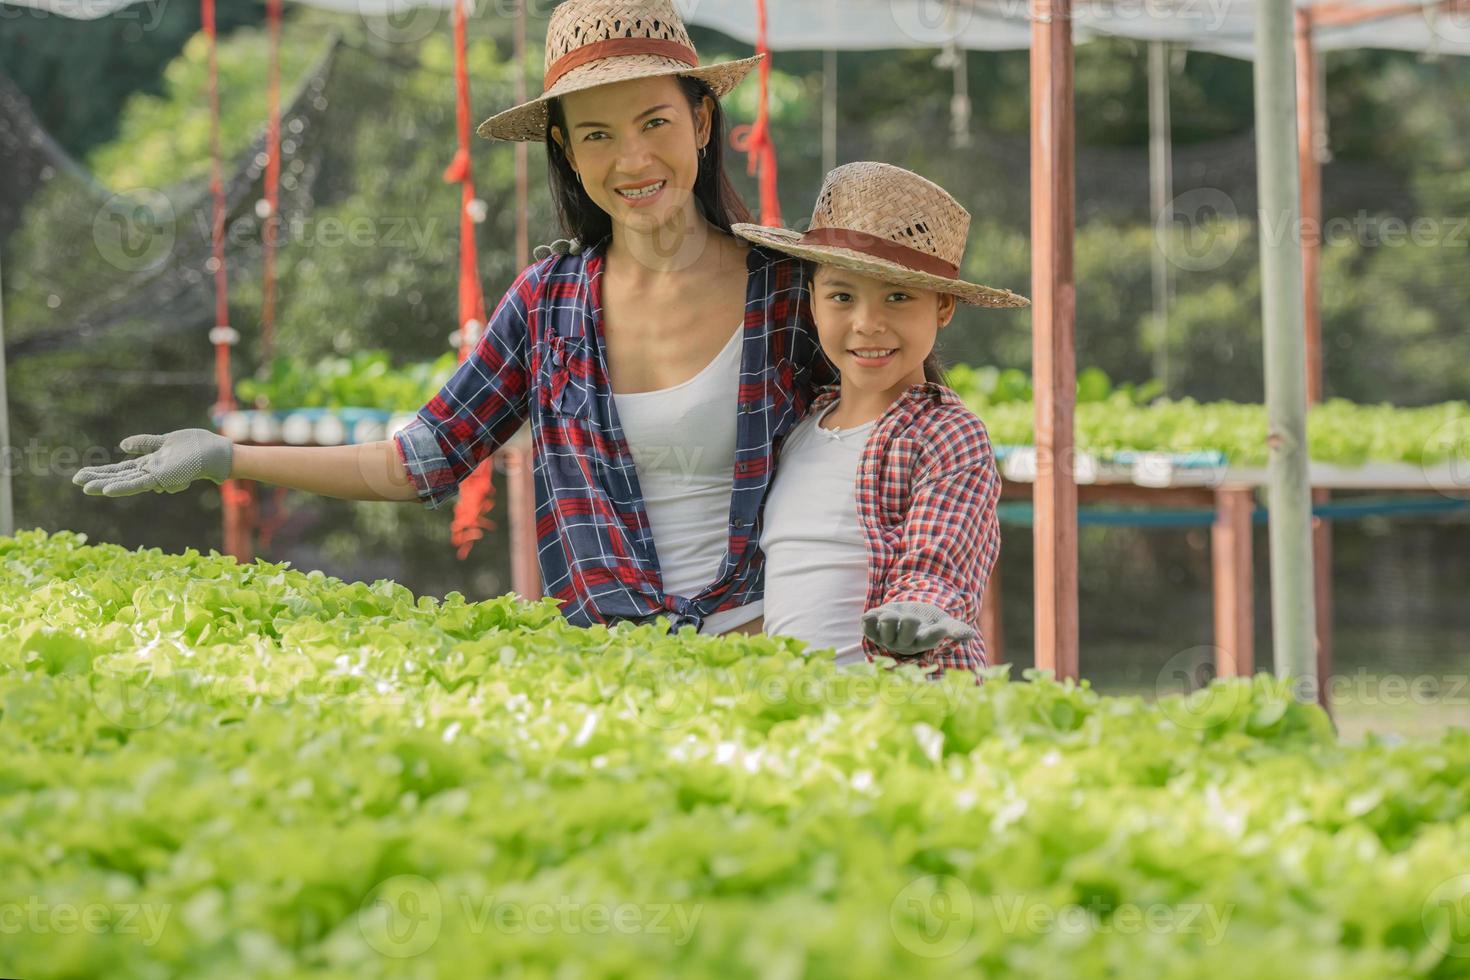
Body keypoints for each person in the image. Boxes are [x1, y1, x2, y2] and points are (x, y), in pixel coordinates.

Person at [72, 0, 834, 635]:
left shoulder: (793, 289)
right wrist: (228, 457)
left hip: (776, 638)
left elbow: (887, 440)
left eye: (654, 123)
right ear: (566, 151)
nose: (632, 160)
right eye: (597, 135)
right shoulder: (548, 303)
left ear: (702, 123)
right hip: (618, 659)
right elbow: (422, 459)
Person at [733, 162, 1028, 675]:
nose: (868, 324)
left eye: (898, 296)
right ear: (813, 303)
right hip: (804, 720)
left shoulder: (946, 435)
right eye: (842, 297)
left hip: (904, 712)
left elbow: (943, 554)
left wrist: (921, 609)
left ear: (943, 307)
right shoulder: (797, 426)